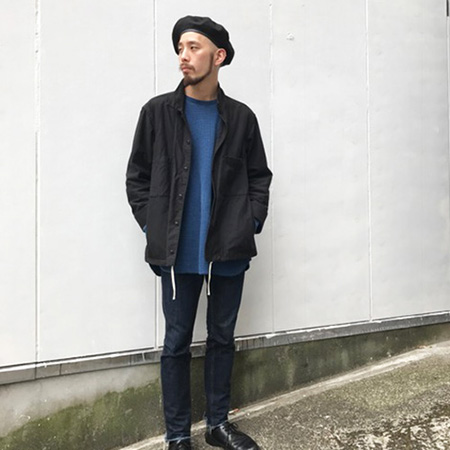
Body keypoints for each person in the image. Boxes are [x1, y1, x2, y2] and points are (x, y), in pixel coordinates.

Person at [126, 15, 272, 450]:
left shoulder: (241, 118)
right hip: (177, 252)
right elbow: (137, 178)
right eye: (180, 49)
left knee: (222, 338)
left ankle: (217, 425)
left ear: (218, 55)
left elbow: (259, 177)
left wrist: (250, 222)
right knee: (176, 343)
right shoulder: (157, 113)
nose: (183, 57)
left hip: (228, 248)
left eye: (193, 47)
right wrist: (152, 226)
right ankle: (177, 437)